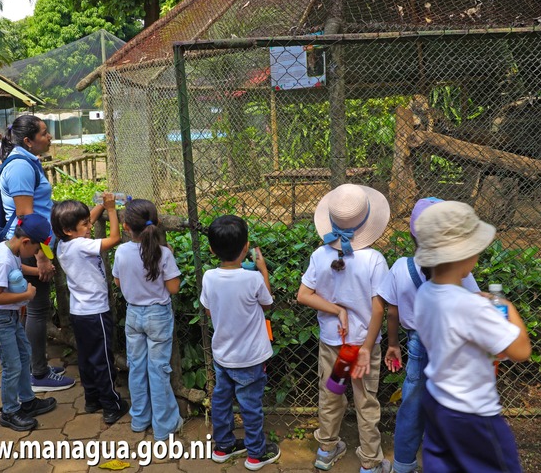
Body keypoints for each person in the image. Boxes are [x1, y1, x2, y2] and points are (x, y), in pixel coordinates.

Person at [412, 201, 531, 473]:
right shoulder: (471, 307)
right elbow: (521, 351)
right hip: (473, 413)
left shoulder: (426, 294)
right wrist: (506, 305)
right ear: (464, 256)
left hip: (437, 401)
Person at [377, 197, 480, 473]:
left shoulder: (400, 266)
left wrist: (393, 344)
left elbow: (391, 313)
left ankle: (402, 465)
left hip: (418, 345)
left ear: (412, 234)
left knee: (412, 405)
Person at [296, 184, 392, 473]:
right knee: (366, 402)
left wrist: (336, 310)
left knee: (331, 394)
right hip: (361, 347)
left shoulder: (320, 255)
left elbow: (303, 295)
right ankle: (371, 463)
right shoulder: (375, 260)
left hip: (333, 344)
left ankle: (326, 450)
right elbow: (378, 309)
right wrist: (364, 349)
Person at [0, 114, 74, 391]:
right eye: (44, 133)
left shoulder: (27, 162)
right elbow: (25, 216)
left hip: (34, 245)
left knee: (34, 308)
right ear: (28, 140)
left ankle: (33, 366)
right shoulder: (20, 167)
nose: (49, 136)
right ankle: (38, 375)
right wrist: (42, 256)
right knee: (37, 309)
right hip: (30, 247)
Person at [202, 215, 279, 470]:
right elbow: (267, 303)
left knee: (222, 401)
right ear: (246, 247)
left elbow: (210, 311)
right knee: (250, 405)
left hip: (223, 356)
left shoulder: (209, 277)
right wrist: (263, 269)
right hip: (250, 358)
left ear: (212, 249)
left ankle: (223, 446)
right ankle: (256, 453)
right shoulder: (253, 279)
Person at [0, 214, 59, 431]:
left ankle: (27, 400)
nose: (35, 255)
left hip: (9, 317)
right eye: (35, 251)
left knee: (24, 356)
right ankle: (10, 411)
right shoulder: (3, 260)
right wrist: (27, 295)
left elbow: (18, 269)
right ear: (25, 242)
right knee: (12, 365)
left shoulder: (10, 249)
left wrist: (38, 270)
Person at [51, 196, 127, 422]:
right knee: (103, 358)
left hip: (79, 312)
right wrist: (111, 210)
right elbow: (114, 238)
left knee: (86, 357)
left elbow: (85, 223)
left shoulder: (63, 244)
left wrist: (101, 206)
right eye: (84, 225)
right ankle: (111, 405)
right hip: (95, 312)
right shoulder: (82, 245)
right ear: (69, 230)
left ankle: (91, 399)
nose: (90, 226)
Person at [112, 199, 182, 440]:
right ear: (158, 223)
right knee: (159, 369)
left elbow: (118, 282)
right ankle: (164, 426)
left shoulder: (121, 251)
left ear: (125, 227)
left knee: (136, 367)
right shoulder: (164, 253)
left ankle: (140, 418)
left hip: (133, 315)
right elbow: (173, 288)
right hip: (157, 317)